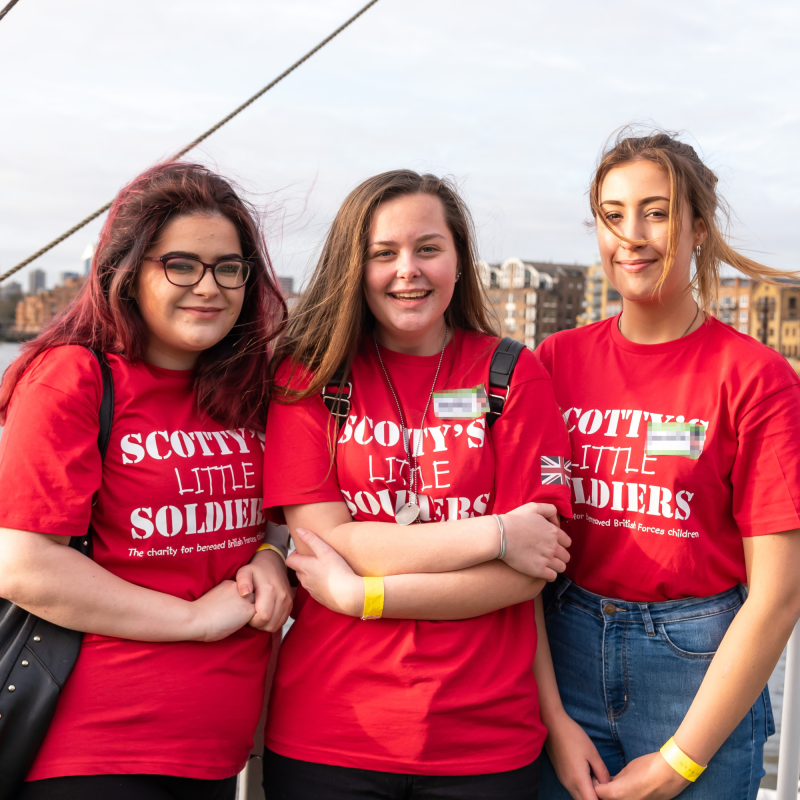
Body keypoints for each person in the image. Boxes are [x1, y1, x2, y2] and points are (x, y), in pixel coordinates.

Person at [256, 169, 581, 799]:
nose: (408, 270)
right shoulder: (310, 376)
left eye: (428, 248)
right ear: (355, 268)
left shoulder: (512, 374)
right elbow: (326, 541)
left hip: (484, 741)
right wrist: (495, 534)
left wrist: (361, 594)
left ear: (459, 261)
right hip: (330, 733)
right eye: (384, 253)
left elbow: (529, 571)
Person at [0, 162, 292, 800]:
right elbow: (25, 565)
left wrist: (271, 556)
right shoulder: (74, 379)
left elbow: (275, 519)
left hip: (215, 751)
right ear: (128, 272)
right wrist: (195, 620)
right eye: (181, 265)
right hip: (93, 752)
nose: (208, 287)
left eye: (229, 268)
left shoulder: (249, 391)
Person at [535, 130, 800, 800]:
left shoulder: (755, 377)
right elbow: (526, 557)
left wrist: (681, 760)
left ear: (699, 228)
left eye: (656, 213)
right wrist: (554, 721)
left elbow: (779, 593)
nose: (632, 236)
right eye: (613, 215)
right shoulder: (553, 362)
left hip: (697, 675)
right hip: (564, 653)